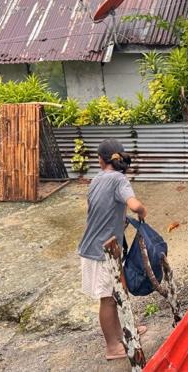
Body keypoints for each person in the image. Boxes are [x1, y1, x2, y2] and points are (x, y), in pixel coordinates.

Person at [77, 139, 148, 361]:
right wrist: (142, 212)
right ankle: (112, 346)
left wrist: (120, 221)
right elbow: (134, 205)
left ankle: (126, 329)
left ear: (100, 160)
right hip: (101, 252)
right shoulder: (119, 180)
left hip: (98, 246)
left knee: (117, 291)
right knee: (108, 298)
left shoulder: (96, 179)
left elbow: (99, 210)